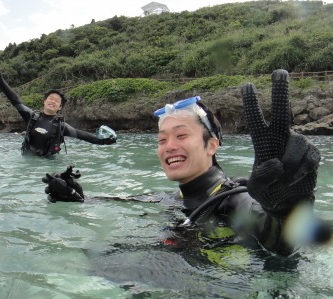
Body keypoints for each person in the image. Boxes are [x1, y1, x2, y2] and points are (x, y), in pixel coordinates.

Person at [42, 69, 330, 256]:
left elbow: (282, 242)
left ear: (212, 145)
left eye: (181, 135)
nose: (170, 146)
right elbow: (121, 202)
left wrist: (284, 209)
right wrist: (78, 199)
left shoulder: (237, 199)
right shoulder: (168, 198)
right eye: (162, 139)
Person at [0, 69, 116, 158]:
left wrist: (103, 141)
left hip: (49, 164)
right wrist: (0, 81)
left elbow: (82, 135)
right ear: (44, 101)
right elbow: (15, 100)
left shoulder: (61, 126)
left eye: (57, 100)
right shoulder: (31, 117)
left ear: (59, 107)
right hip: (27, 164)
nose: (53, 101)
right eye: (50, 98)